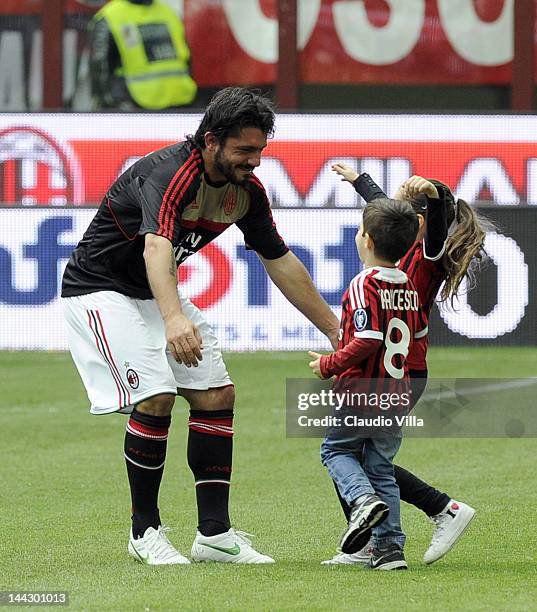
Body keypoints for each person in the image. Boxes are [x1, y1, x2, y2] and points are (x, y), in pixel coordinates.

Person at [61, 87, 340, 565]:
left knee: (215, 394)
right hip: (99, 290)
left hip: (151, 291)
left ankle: (213, 535)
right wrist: (173, 318)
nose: (254, 161)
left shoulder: (246, 192)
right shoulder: (169, 174)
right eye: (244, 150)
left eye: (260, 151)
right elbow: (156, 248)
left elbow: (279, 260)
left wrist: (336, 332)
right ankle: (144, 532)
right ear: (211, 141)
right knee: (156, 395)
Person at [324, 163, 487, 566]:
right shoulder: (400, 245)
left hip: (387, 371)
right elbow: (386, 212)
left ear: (419, 222)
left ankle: (437, 511)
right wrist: (362, 183)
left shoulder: (425, 255)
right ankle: (384, 545)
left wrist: (434, 193)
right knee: (370, 460)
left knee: (346, 454)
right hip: (398, 373)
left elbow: (422, 219)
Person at [308, 198, 427, 571]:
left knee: (336, 452)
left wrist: (329, 364)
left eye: (361, 231)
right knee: (380, 466)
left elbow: (368, 338)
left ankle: (361, 500)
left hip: (361, 391)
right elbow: (420, 336)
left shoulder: (364, 283)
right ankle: (390, 549)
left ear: (368, 241)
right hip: (395, 393)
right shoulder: (409, 285)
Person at [88, 0, 197, 110]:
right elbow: (100, 71)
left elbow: (186, 59)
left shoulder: (168, 13)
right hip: (136, 109)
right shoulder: (109, 17)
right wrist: (114, 108)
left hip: (181, 104)